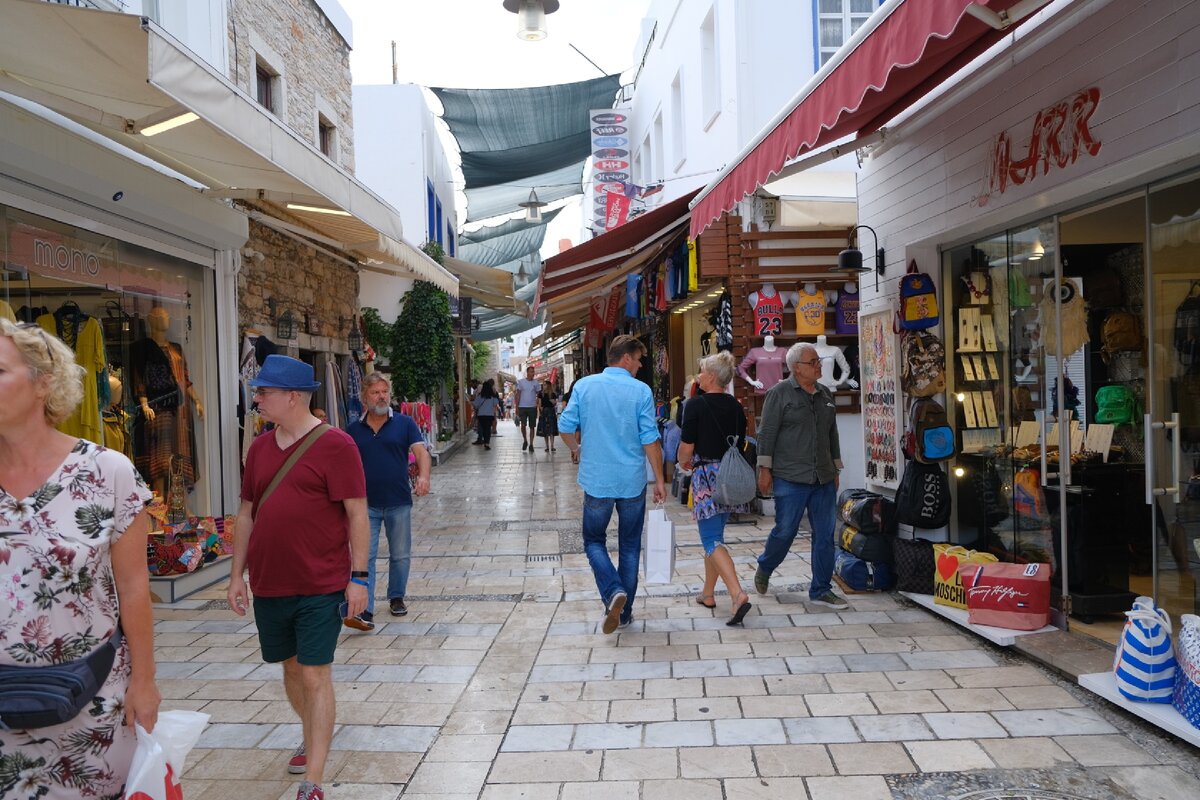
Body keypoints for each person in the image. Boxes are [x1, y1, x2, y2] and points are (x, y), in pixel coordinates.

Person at [0, 318, 159, 799]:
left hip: (91, 700)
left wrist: (145, 684)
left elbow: (134, 589)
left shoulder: (107, 471)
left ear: (43, 382)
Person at [227, 354, 369, 800]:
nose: (257, 399)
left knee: (314, 674)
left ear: (292, 397)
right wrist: (236, 575)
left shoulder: (337, 446)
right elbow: (247, 512)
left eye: (263, 392)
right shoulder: (259, 448)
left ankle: (314, 780)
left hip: (321, 582)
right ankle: (312, 734)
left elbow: (357, 513)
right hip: (270, 583)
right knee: (289, 669)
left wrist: (359, 577)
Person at [559, 335, 666, 634]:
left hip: (597, 479)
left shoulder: (584, 386)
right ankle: (625, 610)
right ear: (626, 358)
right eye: (639, 358)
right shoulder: (641, 391)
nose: (641, 364)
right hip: (631, 480)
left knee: (593, 541)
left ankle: (612, 592)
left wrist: (576, 450)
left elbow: (565, 426)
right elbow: (650, 440)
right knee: (630, 547)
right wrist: (659, 479)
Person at [753, 342, 848, 610]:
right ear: (796, 368)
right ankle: (766, 566)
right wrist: (764, 470)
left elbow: (832, 434)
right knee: (785, 531)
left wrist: (835, 467)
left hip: (823, 478)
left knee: (825, 534)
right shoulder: (779, 393)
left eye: (818, 361)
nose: (819, 365)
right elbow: (767, 434)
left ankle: (821, 589)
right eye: (813, 362)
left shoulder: (825, 394)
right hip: (790, 477)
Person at [347, 373, 431, 626]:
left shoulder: (405, 423)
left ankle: (396, 597)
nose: (381, 396)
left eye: (384, 391)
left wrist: (424, 477)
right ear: (365, 397)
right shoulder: (352, 430)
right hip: (364, 505)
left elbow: (421, 452)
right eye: (375, 392)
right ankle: (365, 608)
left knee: (400, 554)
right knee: (366, 556)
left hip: (398, 500)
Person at [676, 351, 753, 625]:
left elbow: (686, 448)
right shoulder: (735, 406)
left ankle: (737, 593)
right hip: (730, 477)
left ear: (710, 376)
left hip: (706, 476)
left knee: (710, 540)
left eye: (701, 370)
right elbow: (742, 440)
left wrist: (682, 462)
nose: (699, 374)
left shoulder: (694, 405)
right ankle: (708, 593)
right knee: (716, 535)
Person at [515, 366, 541, 452]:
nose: (532, 373)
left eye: (533, 372)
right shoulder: (521, 382)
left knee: (532, 426)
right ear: (527, 372)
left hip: (532, 407)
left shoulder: (536, 383)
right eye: (531, 372)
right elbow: (518, 394)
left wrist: (538, 402)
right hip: (522, 407)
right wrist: (516, 407)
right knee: (523, 425)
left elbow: (539, 394)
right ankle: (525, 440)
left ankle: (531, 444)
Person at [472, 378, 500, 450]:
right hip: (489, 415)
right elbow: (496, 403)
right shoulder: (492, 397)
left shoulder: (480, 396)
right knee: (488, 429)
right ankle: (487, 443)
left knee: (483, 429)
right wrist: (494, 394)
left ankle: (484, 440)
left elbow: (475, 404)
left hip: (481, 415)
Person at [535, 379, 558, 452]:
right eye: (543, 385)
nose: (543, 386)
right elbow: (539, 404)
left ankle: (552, 446)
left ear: (548, 385)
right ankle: (547, 446)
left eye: (545, 384)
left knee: (551, 429)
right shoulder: (541, 394)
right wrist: (541, 411)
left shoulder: (553, 394)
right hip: (545, 411)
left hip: (551, 411)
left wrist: (553, 402)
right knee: (545, 430)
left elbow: (555, 403)